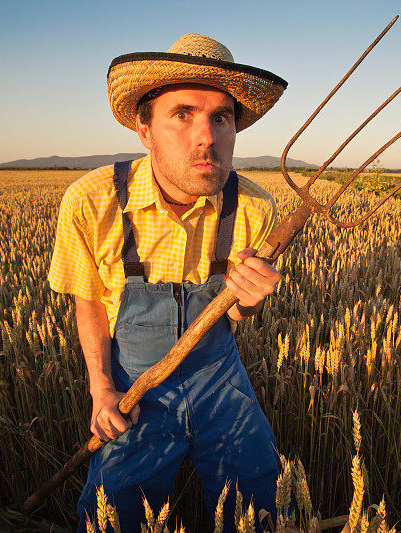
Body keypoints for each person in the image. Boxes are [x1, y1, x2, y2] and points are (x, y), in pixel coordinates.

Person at [47, 33, 288, 532]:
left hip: (220, 376)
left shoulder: (256, 207)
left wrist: (249, 301)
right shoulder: (93, 201)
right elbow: (88, 300)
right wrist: (102, 390)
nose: (206, 136)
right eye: (183, 114)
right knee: (112, 513)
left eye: (221, 117)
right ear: (144, 127)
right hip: (136, 385)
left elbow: (238, 314)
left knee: (265, 503)